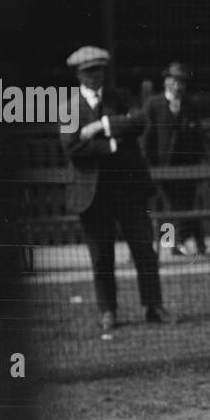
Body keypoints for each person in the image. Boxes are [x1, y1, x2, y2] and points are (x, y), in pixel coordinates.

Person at [60, 46, 172, 336]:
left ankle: (153, 305)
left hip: (128, 190)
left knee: (144, 250)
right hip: (92, 194)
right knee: (101, 257)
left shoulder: (121, 98)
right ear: (78, 75)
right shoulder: (68, 107)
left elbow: (138, 122)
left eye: (98, 71)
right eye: (88, 72)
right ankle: (108, 311)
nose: (94, 77)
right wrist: (112, 144)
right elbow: (73, 147)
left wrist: (100, 125)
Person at [143, 61, 210, 256]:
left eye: (182, 82)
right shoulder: (153, 104)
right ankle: (171, 243)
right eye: (175, 80)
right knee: (170, 206)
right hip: (163, 166)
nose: (179, 85)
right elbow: (147, 136)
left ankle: (191, 243)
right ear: (166, 81)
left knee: (188, 204)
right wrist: (147, 164)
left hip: (187, 165)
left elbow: (199, 134)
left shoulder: (189, 104)